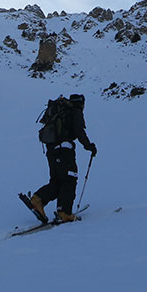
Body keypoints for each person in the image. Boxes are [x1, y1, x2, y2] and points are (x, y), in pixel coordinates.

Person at [27, 93, 97, 223]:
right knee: (69, 178)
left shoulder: (61, 112)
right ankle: (64, 212)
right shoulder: (75, 111)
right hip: (64, 150)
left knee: (57, 181)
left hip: (51, 150)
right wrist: (89, 146)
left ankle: (38, 199)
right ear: (81, 103)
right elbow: (79, 131)